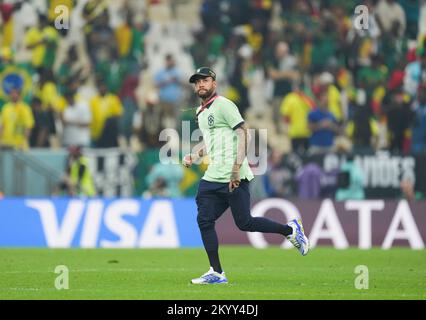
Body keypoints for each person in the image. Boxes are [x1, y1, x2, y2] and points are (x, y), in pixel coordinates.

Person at [183, 67, 309, 285]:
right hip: (213, 176)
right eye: (197, 82)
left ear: (214, 82)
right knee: (204, 219)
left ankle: (290, 230)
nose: (200, 85)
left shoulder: (224, 104)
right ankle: (217, 272)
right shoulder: (201, 112)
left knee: (245, 222)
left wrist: (236, 167)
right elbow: (212, 140)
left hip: (234, 174)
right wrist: (195, 154)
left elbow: (243, 132)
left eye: (204, 80)